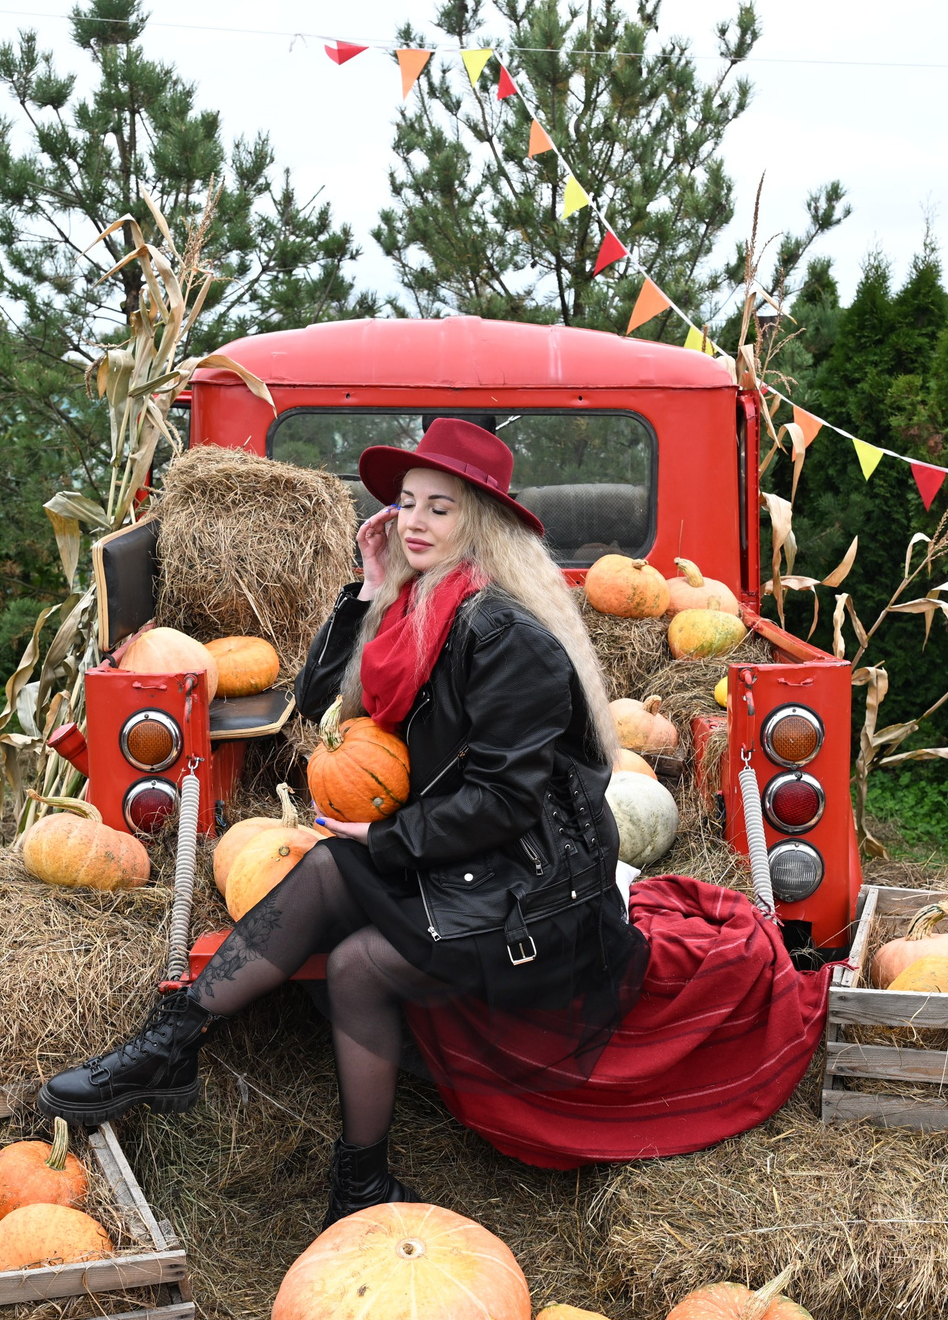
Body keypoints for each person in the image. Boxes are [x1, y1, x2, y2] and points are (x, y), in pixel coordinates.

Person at [40, 418, 648, 1225]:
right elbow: (322, 707)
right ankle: (190, 1057)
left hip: (536, 886)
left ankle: (204, 1070)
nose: (416, 522)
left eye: (443, 507)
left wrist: (389, 841)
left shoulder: (505, 634)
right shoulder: (414, 611)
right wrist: (366, 586)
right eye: (406, 505)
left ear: (484, 526)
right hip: (468, 857)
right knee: (333, 886)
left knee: (357, 950)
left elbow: (508, 802)